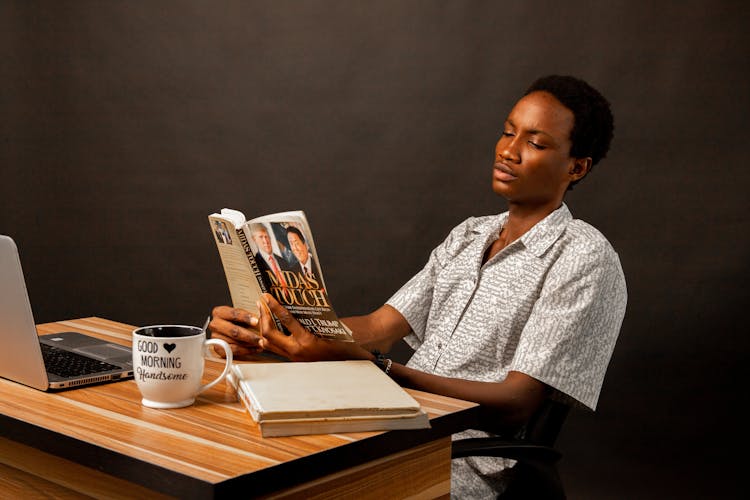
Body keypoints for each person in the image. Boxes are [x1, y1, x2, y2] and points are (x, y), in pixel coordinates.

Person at [210, 75, 627, 498]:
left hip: (460, 466)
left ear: (577, 167)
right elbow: (377, 328)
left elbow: (517, 404)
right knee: (229, 458)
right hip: (383, 432)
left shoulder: (583, 257)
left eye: (535, 143)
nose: (508, 151)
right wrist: (266, 327)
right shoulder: (469, 235)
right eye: (507, 132)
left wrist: (380, 369)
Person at [249, 223, 293, 289]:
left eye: (266, 236)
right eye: (261, 237)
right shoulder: (254, 264)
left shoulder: (283, 261)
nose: (265, 241)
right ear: (254, 239)